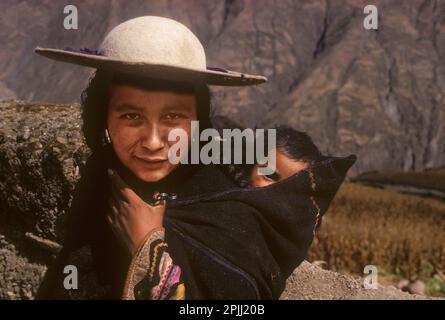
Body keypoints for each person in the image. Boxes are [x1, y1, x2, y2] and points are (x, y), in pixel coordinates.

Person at [35, 16, 356, 300]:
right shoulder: (102, 180)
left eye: (173, 117)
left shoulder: (234, 218)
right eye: (131, 116)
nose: (153, 142)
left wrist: (148, 249)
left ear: (198, 122)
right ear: (103, 116)